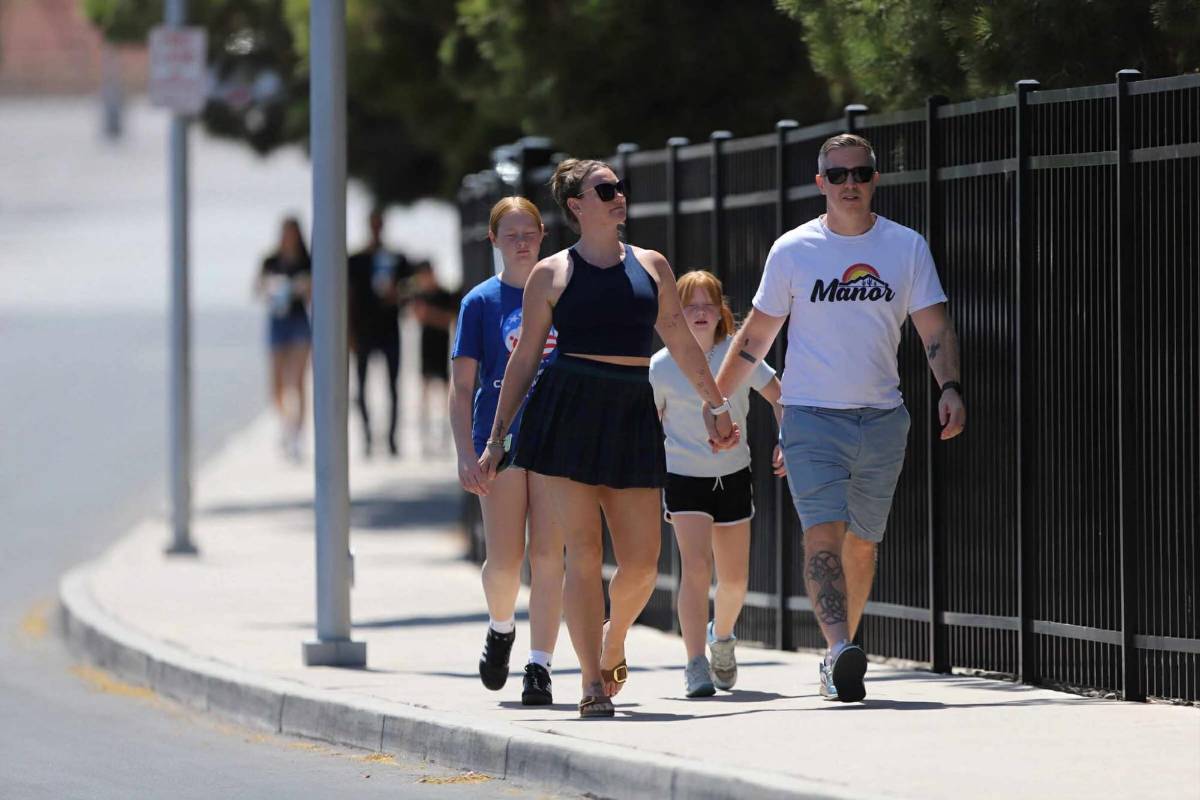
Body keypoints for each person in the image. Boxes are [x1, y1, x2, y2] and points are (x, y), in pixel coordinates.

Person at [479, 159, 739, 718]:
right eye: (606, 189)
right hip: (568, 409)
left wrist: (716, 403)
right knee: (584, 554)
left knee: (643, 564)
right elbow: (525, 359)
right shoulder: (551, 274)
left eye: (620, 187)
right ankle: (591, 683)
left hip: (629, 409)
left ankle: (613, 637)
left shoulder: (652, 265)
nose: (619, 196)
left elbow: (678, 338)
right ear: (577, 206)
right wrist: (497, 437)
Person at [714, 133, 966, 703]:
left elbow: (934, 329)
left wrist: (949, 386)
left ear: (874, 178)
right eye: (839, 174)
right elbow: (755, 338)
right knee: (821, 534)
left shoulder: (905, 247)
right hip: (810, 418)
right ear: (820, 182)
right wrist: (718, 402)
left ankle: (842, 652)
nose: (851, 183)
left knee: (862, 544)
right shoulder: (793, 250)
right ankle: (835, 650)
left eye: (862, 173)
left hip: (883, 418)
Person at [649, 270, 786, 698]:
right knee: (695, 569)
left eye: (709, 303)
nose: (701, 312)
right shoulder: (661, 366)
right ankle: (694, 664)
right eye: (690, 305)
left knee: (735, 580)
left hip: (733, 476)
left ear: (722, 311)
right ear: (674, 313)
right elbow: (647, 425)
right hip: (683, 476)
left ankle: (721, 637)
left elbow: (780, 397)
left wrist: (786, 441)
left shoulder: (737, 355)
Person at [450, 197, 563, 705]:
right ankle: (500, 628)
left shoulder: (563, 292)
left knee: (547, 556)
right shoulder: (480, 303)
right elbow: (461, 386)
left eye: (530, 233)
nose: (522, 242)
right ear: (493, 240)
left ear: (543, 236)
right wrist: (465, 453)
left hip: (556, 439)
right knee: (505, 560)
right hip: (497, 442)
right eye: (511, 234)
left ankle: (540, 666)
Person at [348, 208, 411, 458]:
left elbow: (410, 289)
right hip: (363, 330)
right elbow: (348, 297)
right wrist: (349, 333)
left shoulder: (396, 258)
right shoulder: (356, 260)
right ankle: (367, 436)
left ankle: (392, 439)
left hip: (389, 329)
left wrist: (397, 294)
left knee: (393, 386)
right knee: (361, 386)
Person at [255, 216, 312, 461]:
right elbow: (257, 289)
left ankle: (299, 433)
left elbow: (314, 293)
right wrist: (270, 287)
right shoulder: (271, 261)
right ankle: (285, 424)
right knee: (276, 382)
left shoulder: (306, 261)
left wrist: (303, 287)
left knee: (297, 380)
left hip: (299, 321)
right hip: (278, 322)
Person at [411, 261, 457, 455]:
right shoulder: (420, 296)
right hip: (425, 349)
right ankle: (426, 438)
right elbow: (417, 316)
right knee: (425, 394)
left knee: (446, 395)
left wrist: (430, 314)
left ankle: (446, 436)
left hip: (442, 349)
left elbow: (449, 318)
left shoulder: (443, 295)